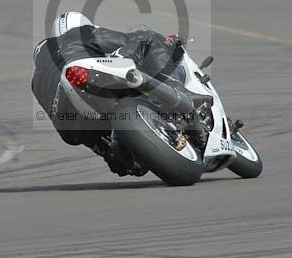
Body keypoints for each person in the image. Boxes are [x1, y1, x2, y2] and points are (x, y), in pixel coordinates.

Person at [31, 11, 212, 176]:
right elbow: (127, 40)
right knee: (148, 40)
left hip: (71, 123)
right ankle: (179, 92)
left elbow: (67, 135)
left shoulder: (37, 81)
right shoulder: (78, 34)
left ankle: (113, 152)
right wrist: (169, 41)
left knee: (110, 153)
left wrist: (101, 148)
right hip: (88, 75)